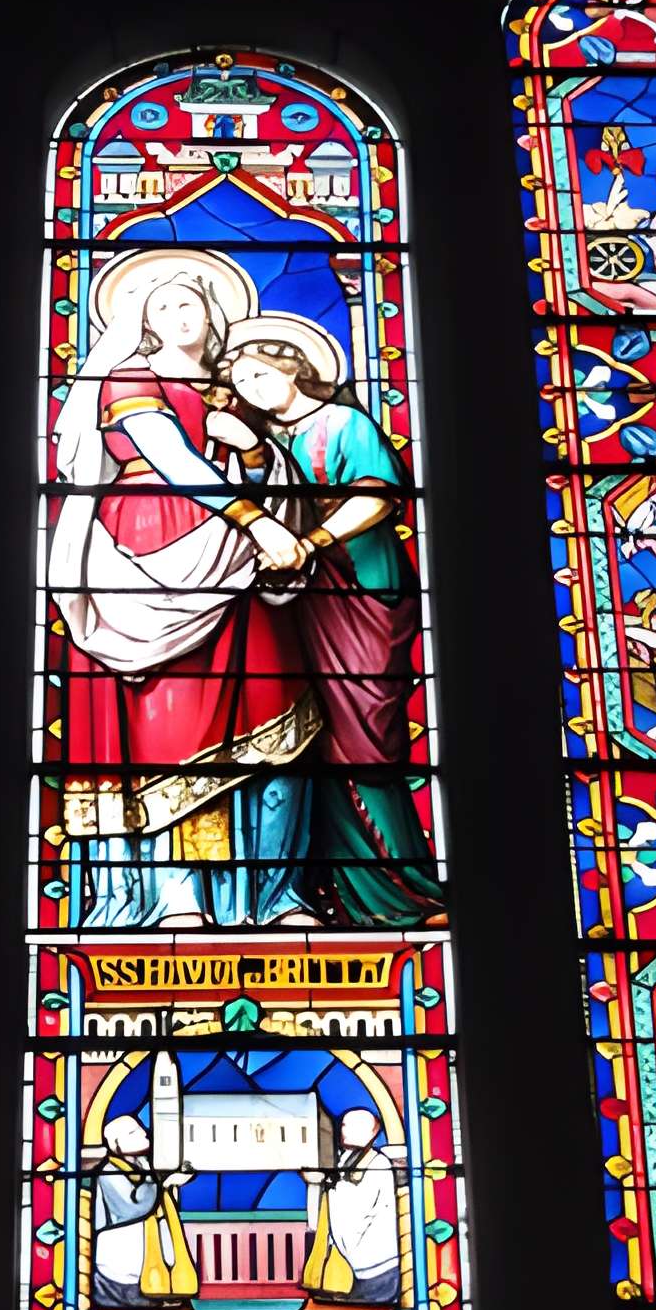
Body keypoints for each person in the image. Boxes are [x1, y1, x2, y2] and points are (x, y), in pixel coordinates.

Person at [49, 251, 321, 927]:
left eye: (191, 303)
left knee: (278, 710)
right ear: (141, 320)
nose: (180, 315)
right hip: (146, 548)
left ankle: (274, 894)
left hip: (238, 563)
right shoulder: (128, 380)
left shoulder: (239, 389)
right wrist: (258, 523)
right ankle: (178, 897)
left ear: (216, 314)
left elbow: (252, 467)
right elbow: (171, 459)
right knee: (166, 730)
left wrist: (256, 453)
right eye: (164, 305)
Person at [222, 316, 443, 924]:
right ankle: (321, 888)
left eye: (262, 373)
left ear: (295, 368)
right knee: (304, 736)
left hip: (360, 590)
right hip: (292, 600)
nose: (255, 386)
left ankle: (402, 887)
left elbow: (377, 496)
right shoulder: (256, 441)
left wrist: (312, 539)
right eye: (243, 379)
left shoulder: (345, 423)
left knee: (365, 738)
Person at [90, 1114, 198, 1310]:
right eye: (133, 1133)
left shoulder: (146, 1165)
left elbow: (159, 1201)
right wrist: (165, 1183)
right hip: (119, 1264)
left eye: (140, 1129)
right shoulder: (108, 1172)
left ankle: (163, 1290)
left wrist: (169, 1183)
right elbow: (134, 1206)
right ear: (116, 1145)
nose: (143, 1134)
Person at [301, 1109, 401, 1310]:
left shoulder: (377, 1165)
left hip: (378, 1268)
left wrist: (327, 1180)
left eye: (355, 1125)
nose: (346, 1130)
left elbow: (353, 1209)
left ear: (373, 1132)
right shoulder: (345, 1160)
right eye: (345, 1124)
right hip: (355, 1266)